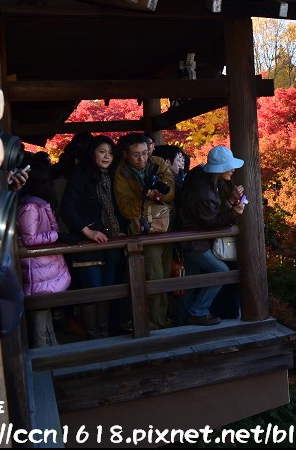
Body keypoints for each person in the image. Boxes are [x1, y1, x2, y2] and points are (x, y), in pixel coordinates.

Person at [61, 135, 128, 339]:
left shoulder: (116, 176)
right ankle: (93, 335)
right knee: (92, 290)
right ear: (93, 153)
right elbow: (67, 207)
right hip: (87, 243)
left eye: (110, 152)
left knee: (107, 291)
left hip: (110, 243)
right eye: (102, 151)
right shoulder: (80, 176)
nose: (107, 156)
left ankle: (105, 333)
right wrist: (88, 231)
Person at [174, 145, 247, 326]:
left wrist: (229, 201)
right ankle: (198, 311)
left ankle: (182, 318)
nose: (233, 169)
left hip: (189, 239)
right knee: (221, 271)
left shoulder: (202, 176)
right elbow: (211, 222)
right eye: (229, 166)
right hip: (194, 242)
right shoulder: (204, 192)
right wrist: (234, 213)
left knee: (192, 278)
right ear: (220, 168)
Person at [114, 132, 176, 330]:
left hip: (167, 225)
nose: (142, 158)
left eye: (144, 153)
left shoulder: (157, 162)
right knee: (154, 275)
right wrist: (143, 196)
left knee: (166, 273)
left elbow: (171, 189)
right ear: (125, 154)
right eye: (136, 155)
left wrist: (160, 194)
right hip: (145, 230)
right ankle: (154, 322)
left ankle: (162, 318)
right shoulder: (121, 173)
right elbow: (125, 209)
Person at [16, 156, 72, 347]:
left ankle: (52, 348)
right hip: (37, 267)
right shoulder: (31, 207)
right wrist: (56, 236)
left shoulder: (35, 204)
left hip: (43, 267)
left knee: (45, 311)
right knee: (40, 315)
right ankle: (44, 355)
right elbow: (29, 239)